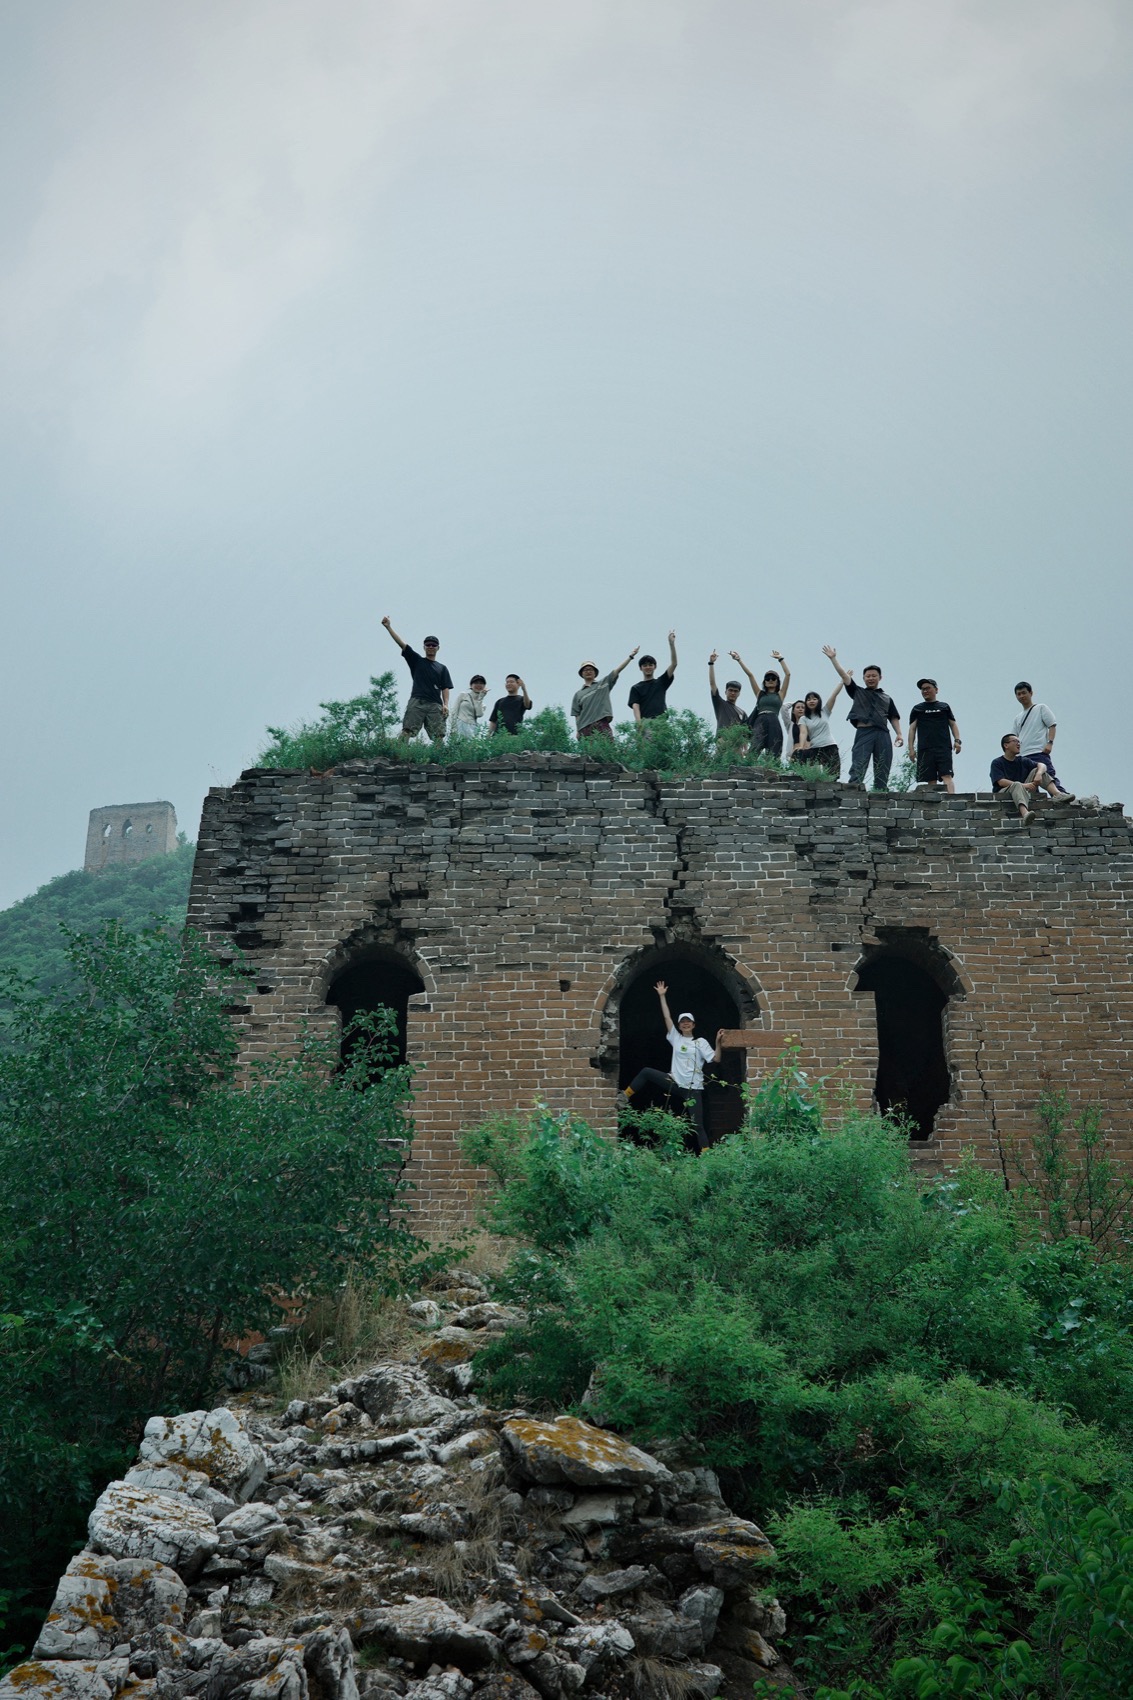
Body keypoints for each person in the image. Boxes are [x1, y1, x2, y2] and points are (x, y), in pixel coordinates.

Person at [619, 980, 725, 1152]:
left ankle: (707, 1157)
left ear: (693, 1025)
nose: (685, 1023)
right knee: (646, 1072)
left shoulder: (700, 1042)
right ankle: (624, 1097)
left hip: (693, 1088)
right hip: (674, 1082)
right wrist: (662, 996)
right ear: (679, 1025)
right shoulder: (676, 1038)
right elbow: (667, 1018)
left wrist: (718, 1042)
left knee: (698, 1125)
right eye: (682, 1022)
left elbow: (716, 1059)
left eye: (688, 1021)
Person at [822, 646, 903, 789]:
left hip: (883, 733)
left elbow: (893, 717)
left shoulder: (886, 698)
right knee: (859, 761)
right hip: (864, 732)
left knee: (883, 764)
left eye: (874, 676)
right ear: (864, 678)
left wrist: (899, 734)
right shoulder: (857, 691)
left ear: (880, 678)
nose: (871, 678)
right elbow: (844, 676)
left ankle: (880, 791)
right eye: (868, 676)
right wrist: (833, 658)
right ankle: (854, 788)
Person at [381, 616, 453, 742]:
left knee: (439, 736)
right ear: (424, 647)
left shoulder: (442, 668)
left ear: (438, 648)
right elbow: (402, 644)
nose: (431, 646)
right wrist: (388, 627)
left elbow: (445, 687)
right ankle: (398, 752)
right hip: (417, 701)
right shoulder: (417, 661)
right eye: (428, 644)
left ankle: (439, 755)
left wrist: (445, 704)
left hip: (435, 704)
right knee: (407, 730)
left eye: (434, 645)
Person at [990, 733, 1074, 822]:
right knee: (1017, 784)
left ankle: (1057, 795)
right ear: (1006, 745)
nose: (1018, 744)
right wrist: (1024, 785)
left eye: (1019, 742)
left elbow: (1042, 765)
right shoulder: (997, 762)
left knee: (1038, 770)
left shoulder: (1022, 760)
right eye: (1015, 741)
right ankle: (1025, 814)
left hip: (1023, 789)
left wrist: (1038, 774)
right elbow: (1001, 782)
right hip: (1004, 792)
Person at [731, 650, 791, 759]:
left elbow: (788, 674)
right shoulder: (760, 694)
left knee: (774, 748)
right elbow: (750, 675)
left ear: (777, 681)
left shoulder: (780, 694)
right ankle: (748, 764)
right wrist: (739, 660)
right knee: (756, 745)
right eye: (767, 679)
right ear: (764, 682)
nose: (770, 680)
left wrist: (780, 659)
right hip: (761, 719)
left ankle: (771, 767)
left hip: (773, 720)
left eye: (773, 678)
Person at [1013, 682, 1070, 795]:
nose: (1021, 696)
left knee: (1048, 776)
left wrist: (1050, 743)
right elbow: (1014, 736)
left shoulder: (1040, 708)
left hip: (1038, 751)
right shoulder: (1018, 718)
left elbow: (1052, 725)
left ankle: (1062, 797)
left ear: (1031, 693)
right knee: (1030, 784)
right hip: (1023, 755)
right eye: (1019, 694)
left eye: (1024, 693)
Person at [571, 648, 640, 740]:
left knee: (608, 745)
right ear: (582, 674)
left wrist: (630, 657)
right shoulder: (578, 694)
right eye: (585, 670)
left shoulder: (603, 684)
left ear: (595, 673)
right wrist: (578, 730)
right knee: (587, 749)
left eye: (591, 669)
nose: (588, 671)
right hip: (585, 728)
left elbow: (617, 670)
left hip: (601, 722)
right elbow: (577, 715)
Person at [908, 679, 962, 793]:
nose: (925, 691)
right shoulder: (917, 709)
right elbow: (912, 729)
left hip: (943, 747)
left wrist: (957, 741)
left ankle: (951, 799)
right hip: (925, 748)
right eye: (923, 689)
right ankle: (933, 801)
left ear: (936, 690)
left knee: (947, 775)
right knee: (930, 778)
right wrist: (911, 749)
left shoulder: (944, 707)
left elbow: (953, 724)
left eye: (928, 688)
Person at [793, 683, 844, 776]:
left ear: (819, 701)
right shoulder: (804, 718)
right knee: (798, 755)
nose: (811, 701)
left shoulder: (825, 712)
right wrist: (801, 746)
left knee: (833, 775)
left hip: (830, 746)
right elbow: (803, 733)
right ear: (806, 703)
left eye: (814, 699)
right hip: (816, 749)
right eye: (808, 699)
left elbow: (834, 695)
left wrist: (842, 681)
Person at [629, 632, 678, 721]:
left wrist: (671, 644)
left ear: (655, 667)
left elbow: (674, 664)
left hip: (661, 722)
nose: (648, 667)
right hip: (646, 723)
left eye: (650, 665)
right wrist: (639, 725)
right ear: (640, 668)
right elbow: (635, 706)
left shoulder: (661, 682)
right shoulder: (636, 688)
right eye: (645, 665)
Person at [708, 652, 747, 736]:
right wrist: (711, 663)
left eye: (735, 691)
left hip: (736, 742)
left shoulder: (742, 713)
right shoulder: (720, 704)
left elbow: (746, 732)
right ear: (726, 692)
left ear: (739, 693)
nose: (733, 693)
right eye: (730, 690)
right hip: (722, 740)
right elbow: (712, 683)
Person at [782, 699, 809, 764]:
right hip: (795, 756)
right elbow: (784, 707)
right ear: (793, 711)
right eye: (798, 707)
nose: (800, 709)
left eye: (803, 708)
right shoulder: (790, 725)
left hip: (809, 755)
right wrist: (795, 703)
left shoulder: (810, 725)